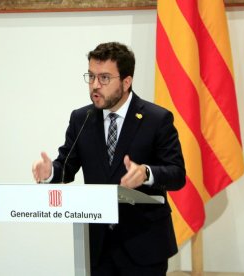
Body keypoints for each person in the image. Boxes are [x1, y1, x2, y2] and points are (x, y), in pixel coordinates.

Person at [32, 42, 186, 275]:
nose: (95, 85)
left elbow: (177, 174)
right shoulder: (81, 118)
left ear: (126, 82)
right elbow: (66, 166)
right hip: (98, 249)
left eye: (104, 78)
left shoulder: (157, 119)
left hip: (144, 247)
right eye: (91, 76)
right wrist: (50, 172)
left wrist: (146, 173)